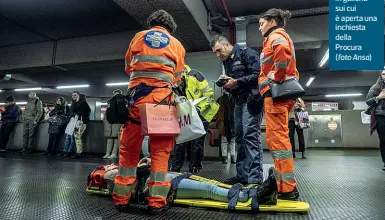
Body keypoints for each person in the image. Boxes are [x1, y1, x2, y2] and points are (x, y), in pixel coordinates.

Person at [112, 10, 186, 215]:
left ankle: (121, 200)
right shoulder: (176, 44)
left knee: (129, 150)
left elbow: (128, 67)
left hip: (136, 100)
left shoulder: (138, 37)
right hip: (161, 102)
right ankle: (155, 202)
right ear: (170, 27)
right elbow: (178, 76)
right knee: (160, 152)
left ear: (151, 23)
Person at [90, 159, 278, 209]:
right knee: (209, 189)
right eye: (107, 166)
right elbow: (130, 180)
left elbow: (131, 175)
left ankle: (252, 191)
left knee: (210, 183)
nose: (111, 164)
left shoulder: (116, 174)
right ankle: (254, 197)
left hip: (166, 179)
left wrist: (141, 165)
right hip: (166, 185)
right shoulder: (111, 175)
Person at [257, 8, 300, 200]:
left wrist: (278, 76)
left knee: (279, 142)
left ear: (272, 21)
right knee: (278, 141)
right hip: (278, 96)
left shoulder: (276, 35)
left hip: (276, 96)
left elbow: (283, 52)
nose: (260, 28)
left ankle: (288, 188)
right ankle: (283, 185)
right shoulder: (275, 37)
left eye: (261, 23)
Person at [211, 35, 263, 186]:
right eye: (215, 52)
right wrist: (227, 81)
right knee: (239, 137)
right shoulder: (227, 62)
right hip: (238, 102)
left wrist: (237, 81)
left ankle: (255, 180)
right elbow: (235, 82)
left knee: (250, 137)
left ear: (227, 44)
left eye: (219, 50)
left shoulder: (248, 53)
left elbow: (258, 75)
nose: (217, 54)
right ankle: (242, 176)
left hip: (251, 100)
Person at [170, 65, 219, 174]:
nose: (176, 86)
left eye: (177, 83)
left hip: (203, 112)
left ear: (181, 75)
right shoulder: (171, 85)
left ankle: (195, 168)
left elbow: (209, 95)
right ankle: (175, 168)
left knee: (197, 141)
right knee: (180, 140)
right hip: (186, 113)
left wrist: (199, 108)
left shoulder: (195, 76)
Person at [366, 69, 385, 170]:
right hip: (380, 116)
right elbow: (368, 101)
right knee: (384, 140)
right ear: (380, 75)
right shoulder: (375, 87)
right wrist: (379, 97)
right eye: (383, 74)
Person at [216, 91, 236, 164]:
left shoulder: (220, 100)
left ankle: (225, 158)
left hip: (223, 122)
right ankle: (232, 157)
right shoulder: (234, 99)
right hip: (230, 122)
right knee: (232, 141)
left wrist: (219, 121)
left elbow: (217, 111)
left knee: (224, 141)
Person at [103, 90, 124, 159]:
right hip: (110, 124)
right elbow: (105, 116)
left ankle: (114, 153)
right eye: (115, 94)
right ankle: (108, 153)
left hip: (117, 123)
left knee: (116, 139)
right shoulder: (110, 103)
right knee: (109, 139)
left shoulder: (122, 104)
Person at [72, 94, 91, 159]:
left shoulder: (82, 104)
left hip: (80, 122)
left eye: (77, 96)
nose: (76, 97)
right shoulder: (85, 104)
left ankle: (79, 152)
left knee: (77, 137)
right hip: (83, 122)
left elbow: (79, 112)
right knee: (78, 137)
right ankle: (78, 152)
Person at [60, 91, 79, 157]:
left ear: (78, 95)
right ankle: (65, 150)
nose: (74, 96)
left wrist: (73, 114)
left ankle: (69, 151)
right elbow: (70, 112)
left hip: (75, 121)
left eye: (75, 95)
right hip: (70, 121)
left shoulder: (79, 103)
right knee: (68, 137)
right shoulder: (72, 103)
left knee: (72, 137)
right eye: (73, 95)